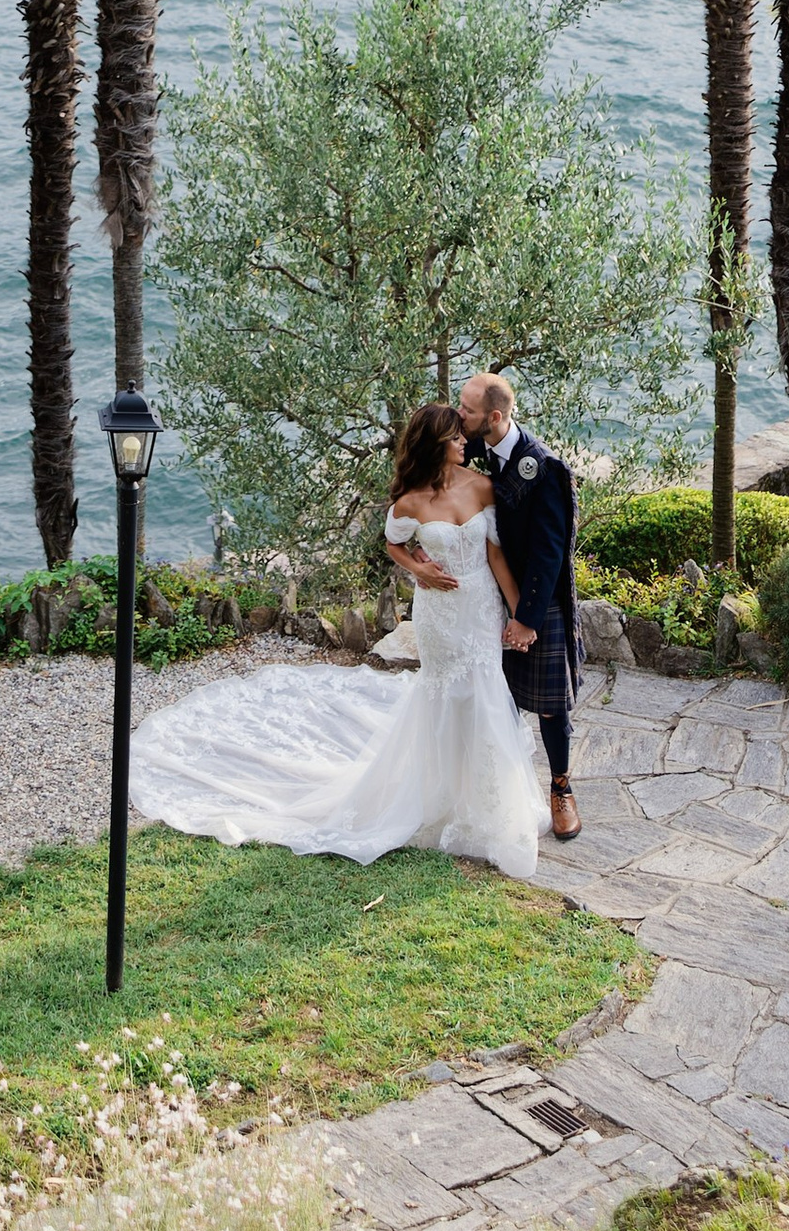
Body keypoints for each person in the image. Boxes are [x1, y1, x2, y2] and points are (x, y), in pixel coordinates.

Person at [124, 399, 556, 880]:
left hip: (478, 611)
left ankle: (488, 806)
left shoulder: (482, 487)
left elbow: (496, 557)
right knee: (443, 697)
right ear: (436, 445)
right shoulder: (410, 502)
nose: (464, 443)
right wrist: (418, 569)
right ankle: (435, 799)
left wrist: (520, 614)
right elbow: (393, 543)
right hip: (438, 618)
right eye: (456, 438)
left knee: (486, 694)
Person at [419, 371, 582, 840]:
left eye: (466, 410)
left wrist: (526, 618)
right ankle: (500, 789)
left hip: (536, 599)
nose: (458, 415)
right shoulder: (473, 450)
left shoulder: (544, 467)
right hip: (485, 600)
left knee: (551, 706)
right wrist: (423, 560)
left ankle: (560, 787)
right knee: (493, 698)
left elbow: (552, 552)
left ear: (493, 417)